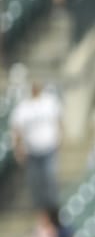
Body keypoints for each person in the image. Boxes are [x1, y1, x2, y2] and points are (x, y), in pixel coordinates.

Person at [10, 80, 62, 211]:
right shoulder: (23, 107)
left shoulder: (49, 102)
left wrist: (60, 139)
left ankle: (52, 210)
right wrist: (18, 148)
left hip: (49, 148)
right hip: (32, 151)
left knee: (49, 178)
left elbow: (59, 121)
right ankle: (39, 210)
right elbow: (17, 129)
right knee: (35, 182)